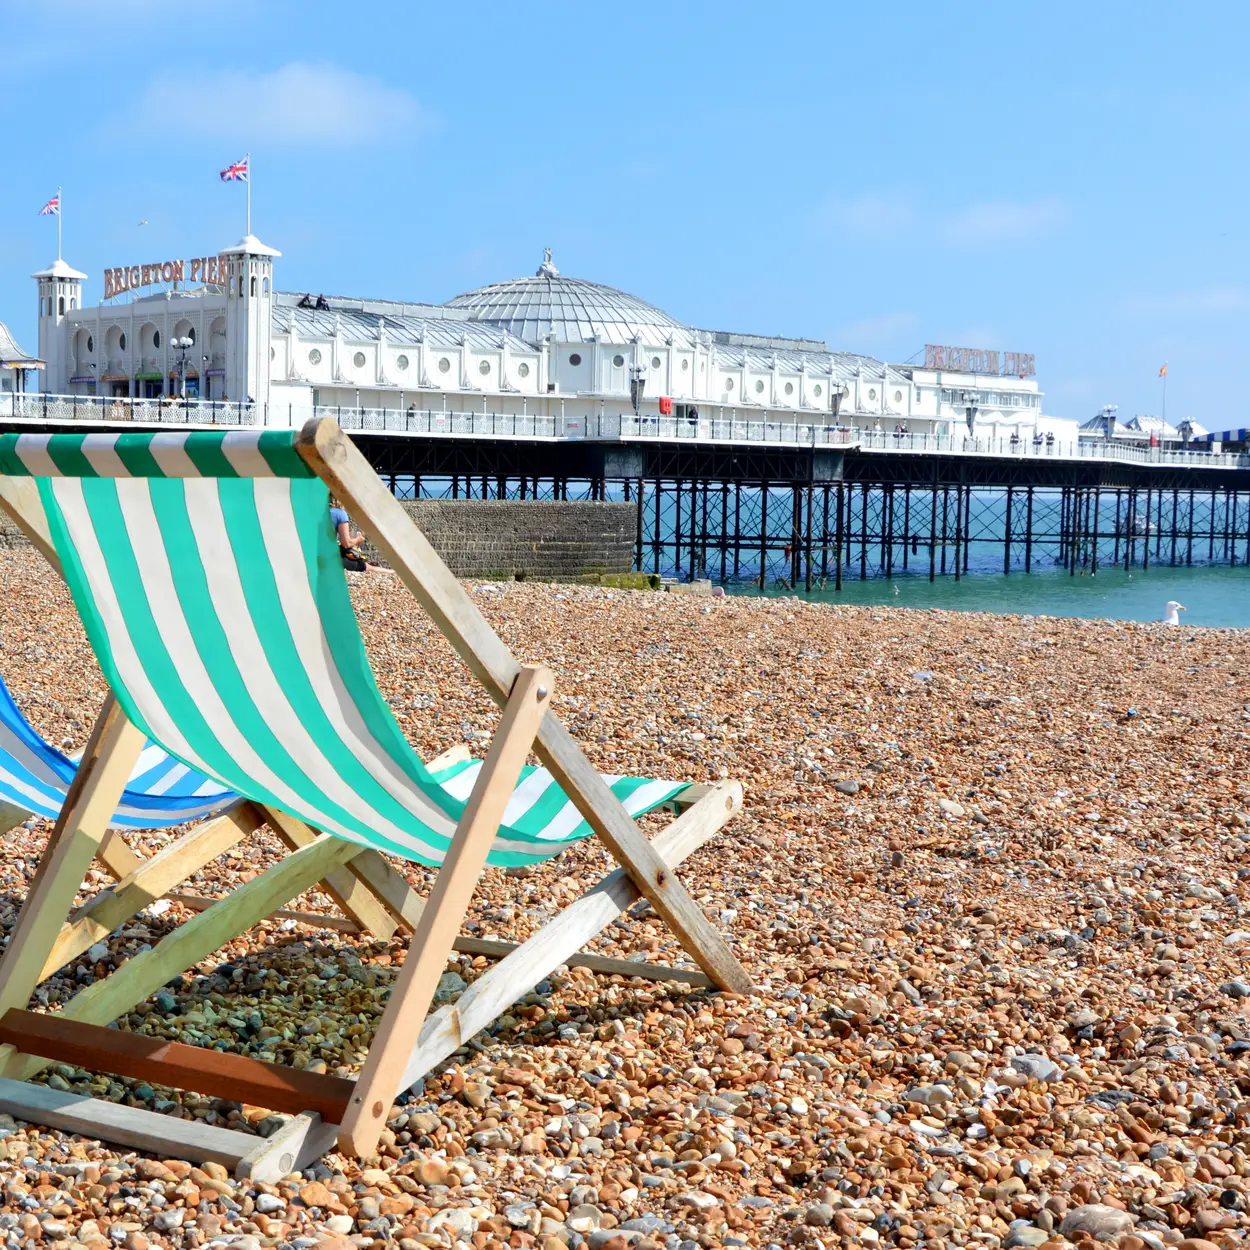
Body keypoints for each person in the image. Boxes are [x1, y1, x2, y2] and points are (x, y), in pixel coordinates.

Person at [331, 496, 368, 572]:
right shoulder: (339, 513)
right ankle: (388, 571)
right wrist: (358, 540)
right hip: (326, 555)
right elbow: (346, 543)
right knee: (360, 563)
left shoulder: (315, 510)